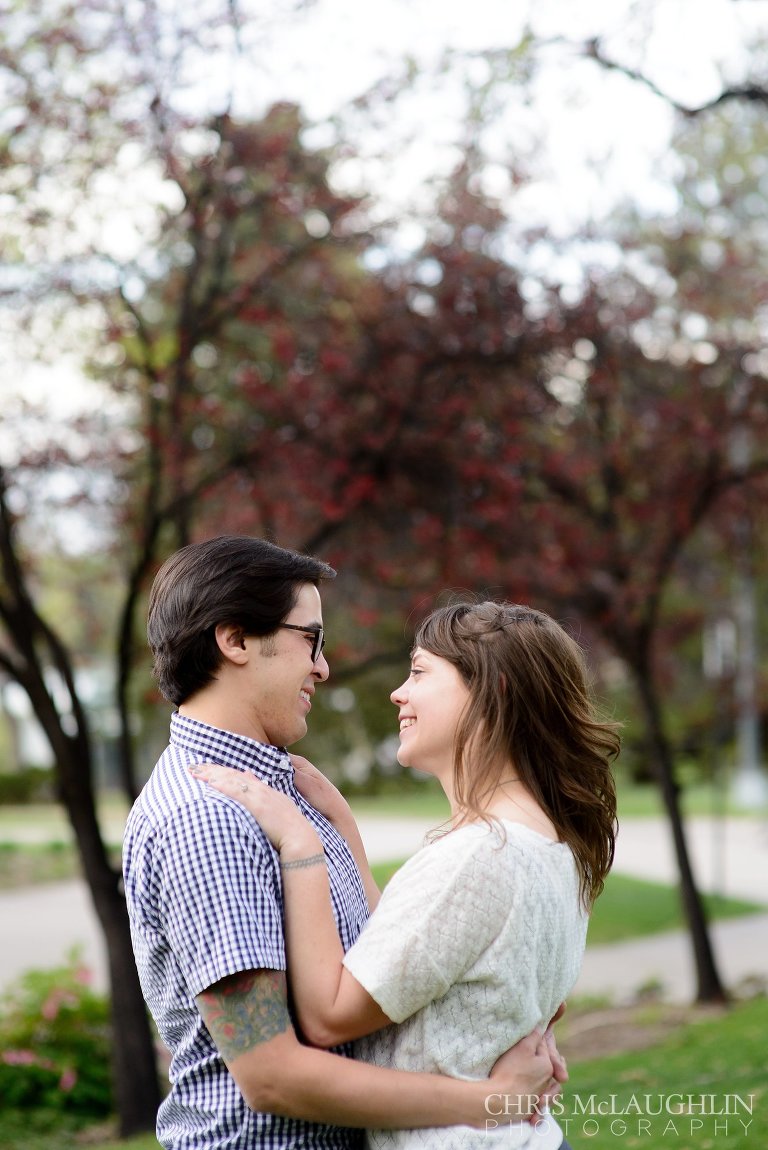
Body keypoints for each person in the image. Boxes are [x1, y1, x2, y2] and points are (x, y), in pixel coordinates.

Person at [123, 537, 562, 1150]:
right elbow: (271, 1076)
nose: (323, 668)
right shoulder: (207, 819)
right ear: (236, 640)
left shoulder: (285, 792)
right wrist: (491, 1101)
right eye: (310, 639)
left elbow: (385, 969)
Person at [192, 599, 620, 1150]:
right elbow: (409, 957)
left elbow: (328, 1016)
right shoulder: (551, 843)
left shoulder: (477, 857)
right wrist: (344, 826)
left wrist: (300, 844)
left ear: (493, 691)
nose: (399, 693)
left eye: (419, 672)